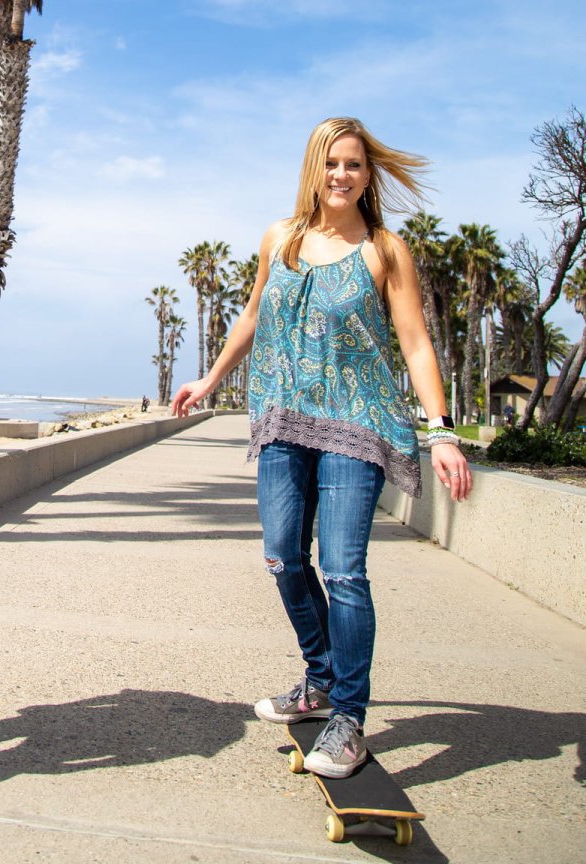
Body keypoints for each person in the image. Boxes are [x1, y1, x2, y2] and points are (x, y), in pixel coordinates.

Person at [172, 117, 471, 779]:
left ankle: (349, 718)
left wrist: (441, 431)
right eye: (332, 163)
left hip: (358, 426)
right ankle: (319, 679)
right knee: (283, 557)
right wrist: (211, 377)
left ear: (369, 176)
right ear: (315, 169)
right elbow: (252, 314)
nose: (342, 176)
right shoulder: (280, 238)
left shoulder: (385, 250)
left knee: (343, 571)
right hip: (284, 419)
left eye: (355, 165)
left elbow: (416, 343)